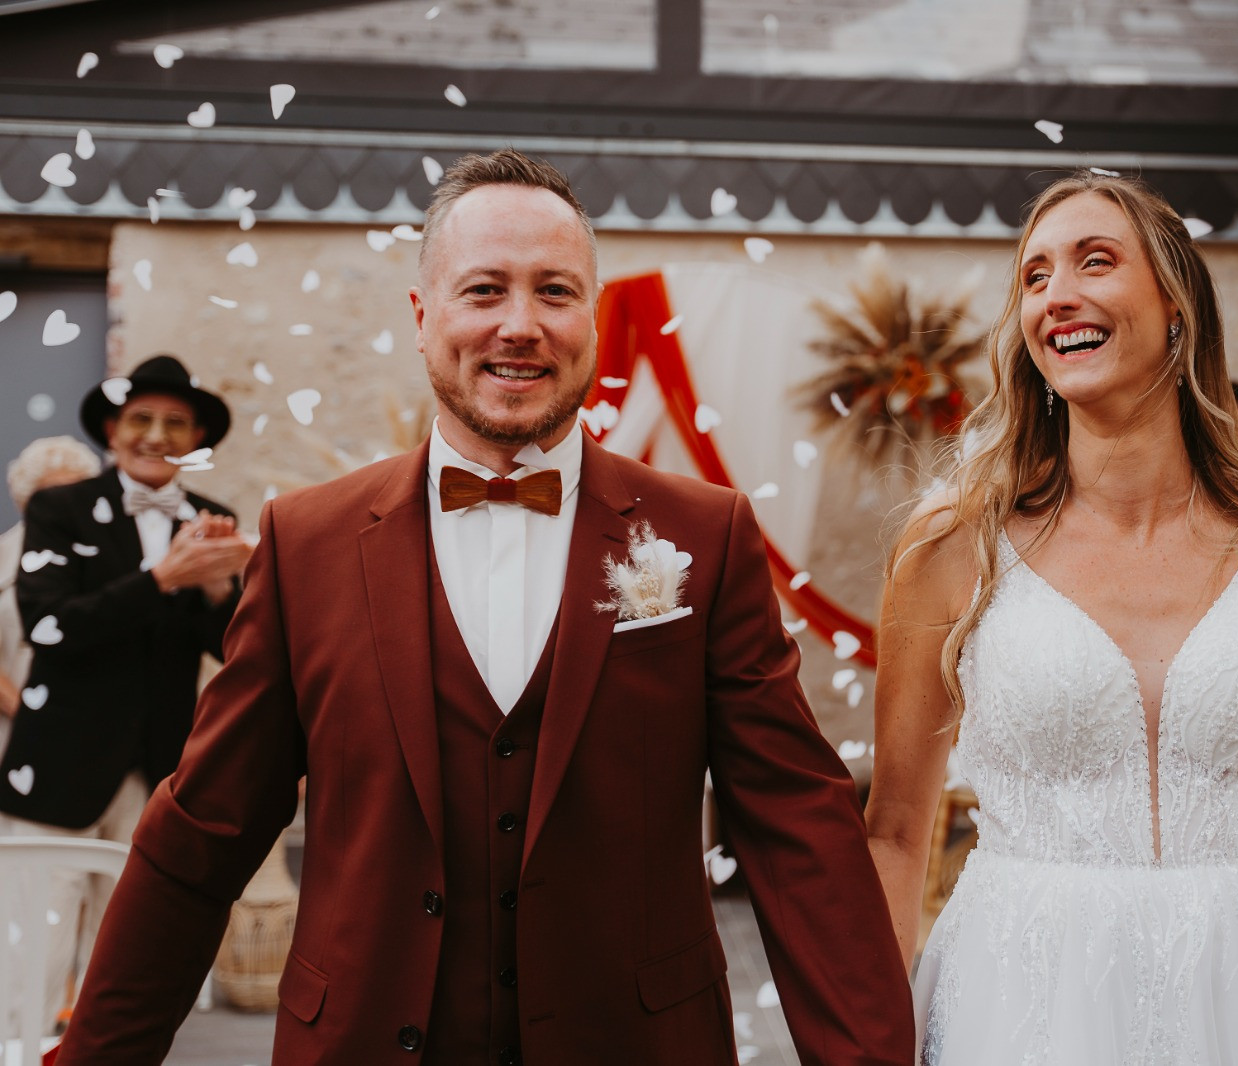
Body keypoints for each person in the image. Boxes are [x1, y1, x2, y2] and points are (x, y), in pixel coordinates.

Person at [55, 150, 913, 1065]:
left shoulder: (707, 533)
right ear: (424, 320)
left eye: (554, 292)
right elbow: (203, 834)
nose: (521, 326)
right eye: (483, 291)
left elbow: (796, 826)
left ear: (592, 314)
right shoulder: (305, 544)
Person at [864, 170, 1238, 1063]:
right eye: (1034, 277)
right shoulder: (954, 544)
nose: (1056, 295)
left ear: (1177, 304)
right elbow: (892, 834)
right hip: (1027, 1002)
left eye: (1095, 261)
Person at [0, 357, 249, 1031]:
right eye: (141, 419)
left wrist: (219, 590)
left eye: (175, 422)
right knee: (36, 941)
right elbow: (52, 627)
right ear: (113, 430)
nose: (156, 434)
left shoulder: (212, 519)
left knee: (122, 950)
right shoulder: (59, 510)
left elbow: (234, 652)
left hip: (160, 766)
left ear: (196, 438)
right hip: (59, 764)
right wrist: (161, 577)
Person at [0, 436, 101, 739]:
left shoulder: (110, 559)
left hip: (93, 734)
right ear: (24, 501)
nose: (65, 506)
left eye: (77, 494)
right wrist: (25, 714)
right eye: (51, 496)